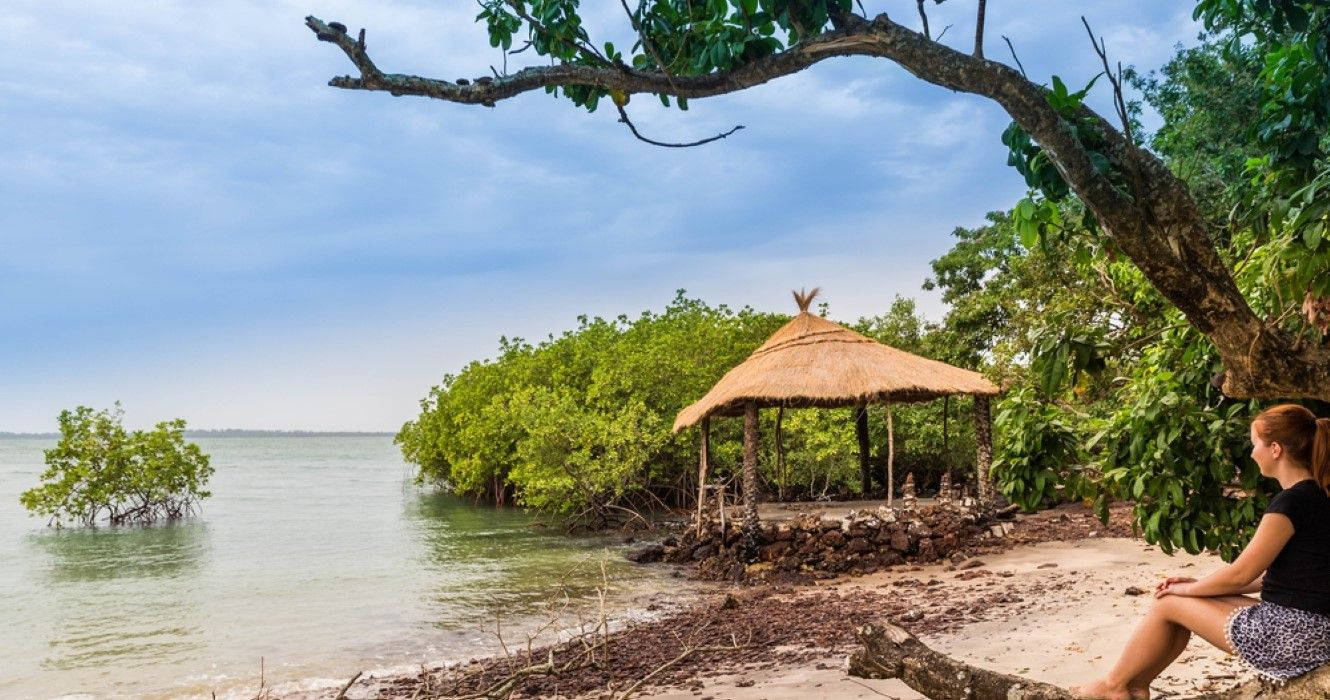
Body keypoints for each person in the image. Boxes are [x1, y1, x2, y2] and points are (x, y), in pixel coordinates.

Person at [1074, 404, 1330, 700]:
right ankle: (1135, 686)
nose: (1251, 453)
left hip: (1294, 635)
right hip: (1314, 629)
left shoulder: (1290, 503)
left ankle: (1114, 687)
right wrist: (1196, 587)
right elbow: (1277, 579)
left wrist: (1187, 592)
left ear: (1275, 449)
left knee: (1167, 603)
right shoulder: (1319, 495)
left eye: (1254, 444)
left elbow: (1241, 574)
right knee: (1181, 601)